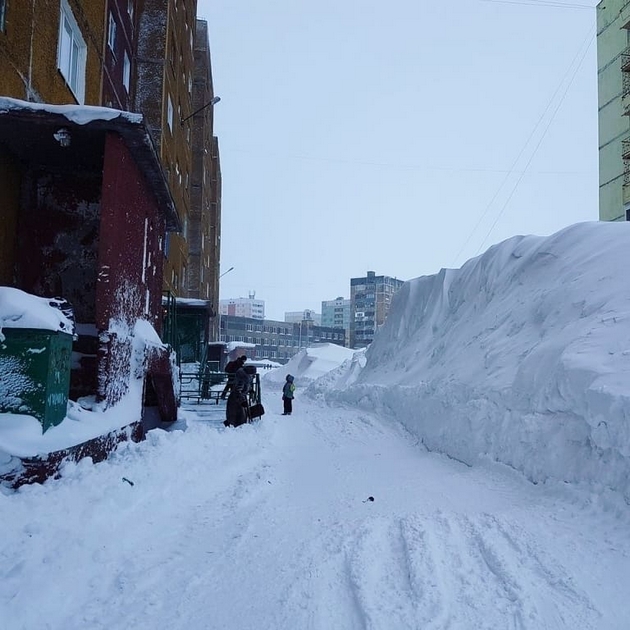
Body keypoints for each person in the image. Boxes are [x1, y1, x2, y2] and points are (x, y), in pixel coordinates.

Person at [224, 363, 253, 427]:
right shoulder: (242, 379)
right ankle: (232, 430)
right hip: (235, 400)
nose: (252, 376)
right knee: (237, 416)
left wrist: (250, 389)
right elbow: (238, 391)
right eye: (252, 374)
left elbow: (246, 386)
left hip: (238, 399)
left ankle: (233, 427)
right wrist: (242, 401)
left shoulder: (245, 378)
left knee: (239, 416)